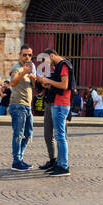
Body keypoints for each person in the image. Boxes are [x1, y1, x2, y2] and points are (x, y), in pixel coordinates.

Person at [37, 47, 73, 176]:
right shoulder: (60, 66)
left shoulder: (63, 65)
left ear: (52, 56)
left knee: (60, 137)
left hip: (61, 104)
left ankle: (63, 166)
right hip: (57, 103)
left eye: (47, 60)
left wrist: (48, 81)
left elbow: (64, 85)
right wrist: (48, 84)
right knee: (59, 136)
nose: (46, 64)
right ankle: (59, 164)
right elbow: (59, 84)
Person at [6, 47, 36, 170]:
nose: (27, 57)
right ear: (20, 55)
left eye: (29, 55)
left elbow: (33, 86)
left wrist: (34, 79)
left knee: (28, 134)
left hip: (27, 106)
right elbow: (12, 83)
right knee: (18, 134)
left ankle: (20, 158)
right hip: (18, 105)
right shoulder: (16, 68)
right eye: (24, 55)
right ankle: (16, 161)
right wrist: (23, 72)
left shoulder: (31, 68)